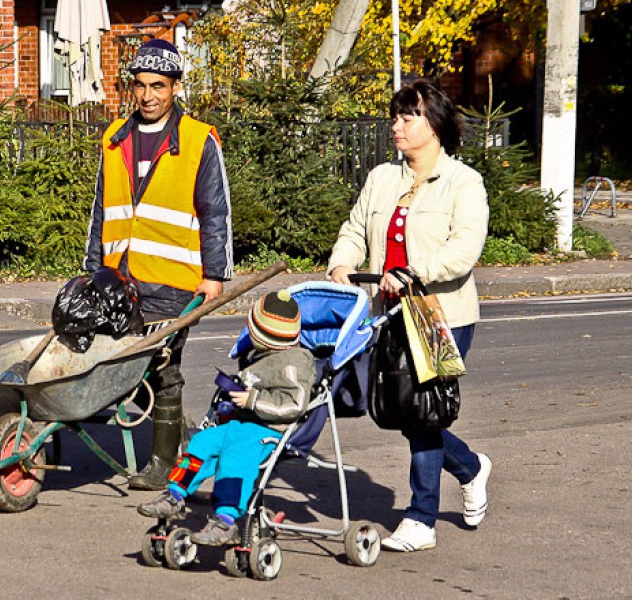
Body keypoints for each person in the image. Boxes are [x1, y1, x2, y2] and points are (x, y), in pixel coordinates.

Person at [327, 78, 493, 552]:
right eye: (395, 116)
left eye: (408, 116)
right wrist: (343, 260)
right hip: (389, 315)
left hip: (442, 316)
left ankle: (421, 519)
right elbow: (356, 227)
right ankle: (469, 467)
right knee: (406, 410)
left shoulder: (464, 183)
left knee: (421, 410)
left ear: (435, 125)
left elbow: (464, 250)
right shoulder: (383, 178)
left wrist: (412, 272)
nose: (396, 125)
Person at [84, 38, 233, 490]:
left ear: (175, 88)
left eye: (158, 86)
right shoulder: (115, 138)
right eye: (141, 86)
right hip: (118, 277)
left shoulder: (197, 140)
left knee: (163, 369)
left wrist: (214, 276)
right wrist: (93, 268)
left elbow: (216, 211)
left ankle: (164, 461)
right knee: (118, 365)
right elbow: (100, 210)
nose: (148, 95)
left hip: (173, 281)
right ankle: (165, 441)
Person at [136, 290, 316, 545]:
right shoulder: (261, 357)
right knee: (201, 442)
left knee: (235, 457)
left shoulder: (293, 364)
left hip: (270, 431)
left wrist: (253, 400)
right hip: (242, 424)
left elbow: (294, 405)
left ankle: (226, 518)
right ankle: (174, 494)